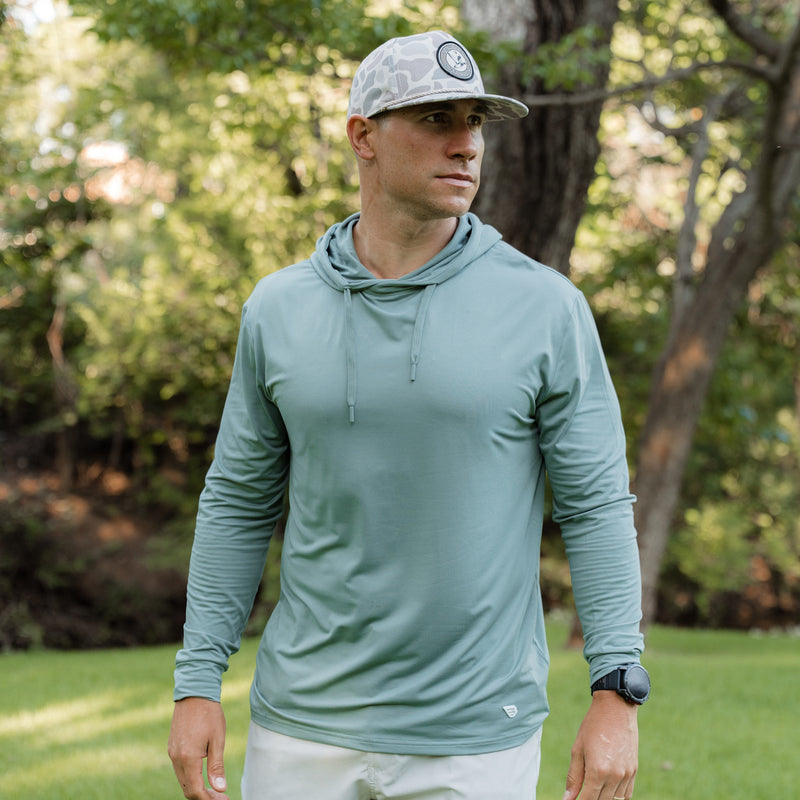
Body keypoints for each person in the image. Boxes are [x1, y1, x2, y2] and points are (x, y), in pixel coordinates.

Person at [168, 30, 648, 800]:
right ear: (362, 136)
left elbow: (596, 506)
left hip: (475, 737)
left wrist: (616, 691)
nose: (465, 145)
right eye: (434, 119)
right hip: (302, 728)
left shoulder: (545, 307)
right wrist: (197, 680)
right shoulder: (278, 308)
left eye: (476, 123)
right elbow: (236, 502)